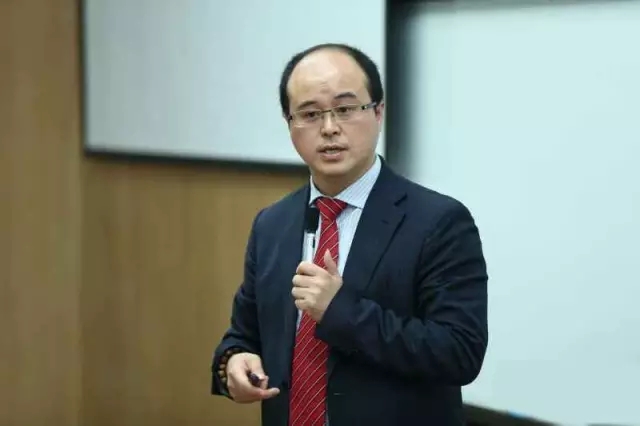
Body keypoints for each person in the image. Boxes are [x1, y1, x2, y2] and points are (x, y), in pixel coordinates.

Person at [211, 42, 488, 426]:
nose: (329, 128)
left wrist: (340, 312)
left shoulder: (438, 222)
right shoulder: (271, 224)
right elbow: (244, 334)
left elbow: (460, 352)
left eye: (345, 109)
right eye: (310, 114)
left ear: (378, 112)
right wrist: (233, 363)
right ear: (289, 124)